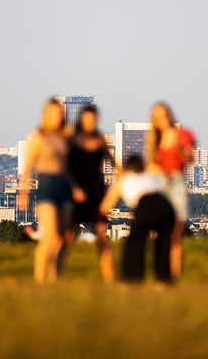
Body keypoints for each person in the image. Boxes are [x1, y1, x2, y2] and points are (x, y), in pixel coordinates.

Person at [18, 98, 73, 283]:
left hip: (64, 186)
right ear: (45, 115)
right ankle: (40, 280)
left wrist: (76, 187)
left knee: (64, 239)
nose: (57, 117)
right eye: (53, 113)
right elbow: (28, 167)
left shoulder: (65, 135)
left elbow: (68, 166)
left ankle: (56, 277)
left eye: (59, 113)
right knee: (50, 237)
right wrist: (23, 193)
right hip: (47, 186)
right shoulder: (38, 136)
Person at [100, 155, 174, 282]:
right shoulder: (150, 177)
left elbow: (105, 207)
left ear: (127, 168)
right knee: (163, 245)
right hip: (166, 206)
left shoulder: (123, 180)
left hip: (146, 205)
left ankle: (132, 278)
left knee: (134, 243)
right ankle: (164, 280)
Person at [146, 102, 196, 281]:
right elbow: (152, 166)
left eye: (165, 114)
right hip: (159, 184)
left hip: (175, 183)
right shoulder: (155, 139)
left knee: (175, 233)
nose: (163, 119)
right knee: (160, 232)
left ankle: (174, 276)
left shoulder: (183, 135)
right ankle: (161, 274)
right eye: (158, 116)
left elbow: (190, 158)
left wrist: (182, 151)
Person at [66, 104, 114, 282]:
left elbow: (112, 161)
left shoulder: (100, 140)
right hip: (77, 193)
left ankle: (110, 278)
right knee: (68, 237)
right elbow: (66, 168)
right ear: (81, 119)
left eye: (93, 120)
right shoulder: (72, 140)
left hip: (96, 193)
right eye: (87, 119)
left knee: (102, 236)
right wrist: (73, 188)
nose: (90, 123)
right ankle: (58, 274)